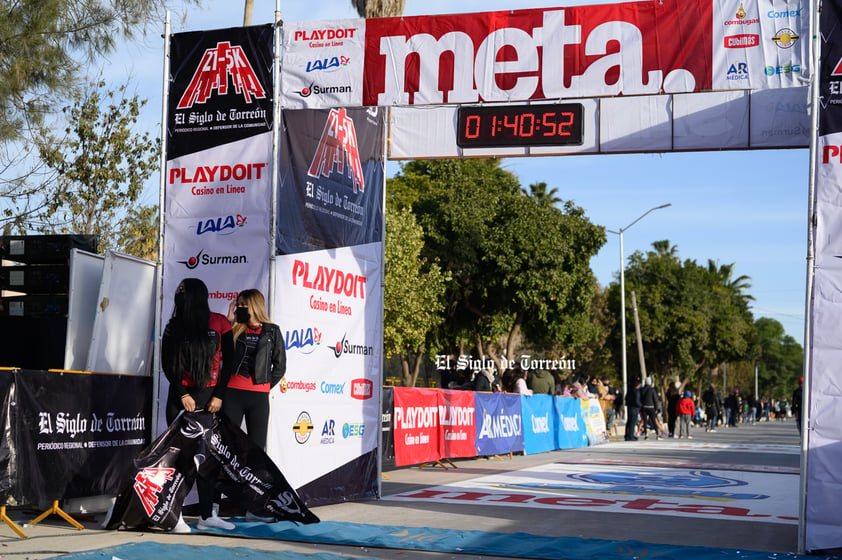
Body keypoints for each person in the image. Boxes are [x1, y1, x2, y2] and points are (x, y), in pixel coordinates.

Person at [161, 278, 235, 532]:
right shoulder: (173, 326)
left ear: (197, 295)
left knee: (209, 460)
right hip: (180, 400)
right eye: (178, 289)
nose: (179, 293)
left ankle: (206, 516)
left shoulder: (220, 322)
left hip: (210, 399)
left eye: (183, 290)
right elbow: (167, 364)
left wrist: (219, 396)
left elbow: (231, 362)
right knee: (180, 460)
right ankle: (174, 516)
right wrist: (182, 394)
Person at [224, 289, 286, 451]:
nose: (241, 308)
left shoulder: (272, 331)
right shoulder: (234, 328)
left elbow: (280, 366)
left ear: (255, 306)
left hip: (258, 397)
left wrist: (264, 385)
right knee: (227, 443)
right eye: (239, 305)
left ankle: (250, 477)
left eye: (244, 305)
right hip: (232, 393)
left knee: (257, 447)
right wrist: (229, 322)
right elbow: (220, 354)